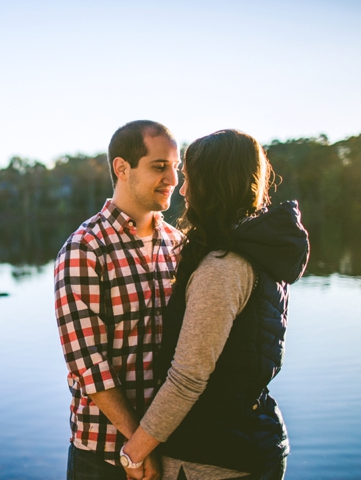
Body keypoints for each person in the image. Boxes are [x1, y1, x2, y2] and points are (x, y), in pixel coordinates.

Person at [120, 130, 309, 480]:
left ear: (213, 184)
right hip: (248, 442)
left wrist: (135, 452)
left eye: (190, 178)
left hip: (216, 457)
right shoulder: (260, 249)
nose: (183, 189)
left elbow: (188, 378)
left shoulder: (222, 268)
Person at [54, 120, 184, 480]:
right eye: (160, 167)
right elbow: (89, 366)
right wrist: (137, 446)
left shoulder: (178, 244)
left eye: (176, 167)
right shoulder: (85, 249)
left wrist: (151, 442)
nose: (173, 179)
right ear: (122, 168)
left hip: (170, 449)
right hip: (105, 457)